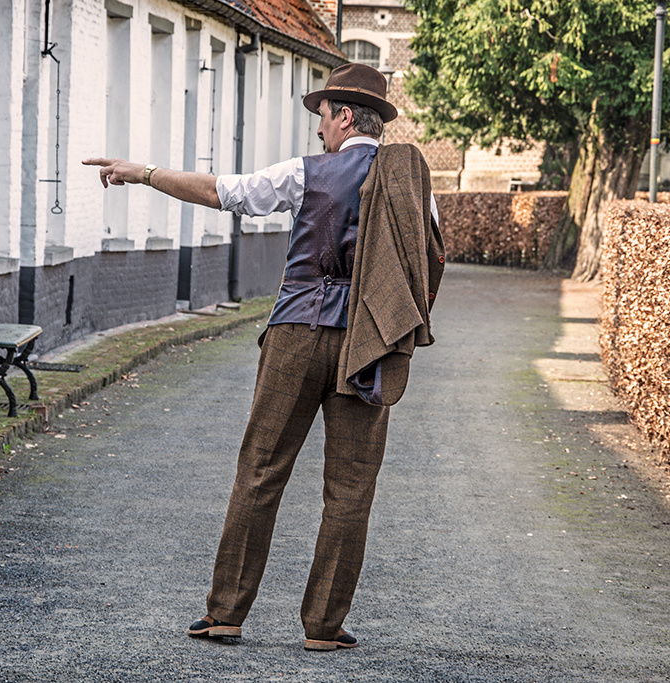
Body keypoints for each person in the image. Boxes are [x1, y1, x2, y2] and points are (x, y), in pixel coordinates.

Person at [83, 62, 444, 651]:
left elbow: (222, 192)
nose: (319, 130)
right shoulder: (413, 186)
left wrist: (143, 173)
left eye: (323, 117)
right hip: (369, 342)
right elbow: (428, 261)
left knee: (261, 470)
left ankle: (225, 613)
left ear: (345, 115)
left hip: (295, 335)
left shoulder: (307, 174)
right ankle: (324, 627)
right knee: (350, 488)